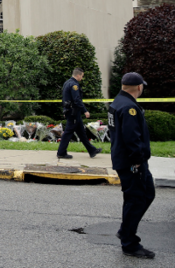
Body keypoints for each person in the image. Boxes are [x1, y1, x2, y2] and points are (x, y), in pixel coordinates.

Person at [108, 72, 156, 259]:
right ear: (138, 87)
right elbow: (131, 138)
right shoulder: (129, 107)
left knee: (142, 196)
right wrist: (137, 162)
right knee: (138, 198)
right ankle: (129, 242)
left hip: (125, 160)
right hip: (132, 162)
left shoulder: (118, 102)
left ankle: (125, 230)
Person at [56, 68, 101, 159]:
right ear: (78, 75)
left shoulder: (67, 83)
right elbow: (76, 100)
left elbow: (65, 98)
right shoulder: (74, 85)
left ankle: (92, 150)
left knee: (81, 133)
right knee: (68, 132)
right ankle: (61, 152)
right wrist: (85, 110)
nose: (82, 78)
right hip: (73, 113)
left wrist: (65, 110)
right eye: (82, 76)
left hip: (72, 112)